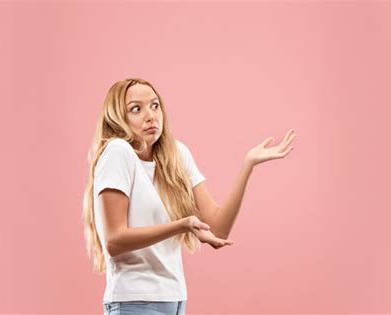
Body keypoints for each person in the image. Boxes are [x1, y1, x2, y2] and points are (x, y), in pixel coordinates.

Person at [82, 78, 296, 315]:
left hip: (174, 300)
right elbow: (114, 240)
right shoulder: (118, 152)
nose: (151, 116)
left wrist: (248, 165)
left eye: (155, 106)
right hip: (134, 301)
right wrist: (182, 225)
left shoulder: (177, 155)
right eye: (136, 109)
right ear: (117, 118)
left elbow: (218, 229)